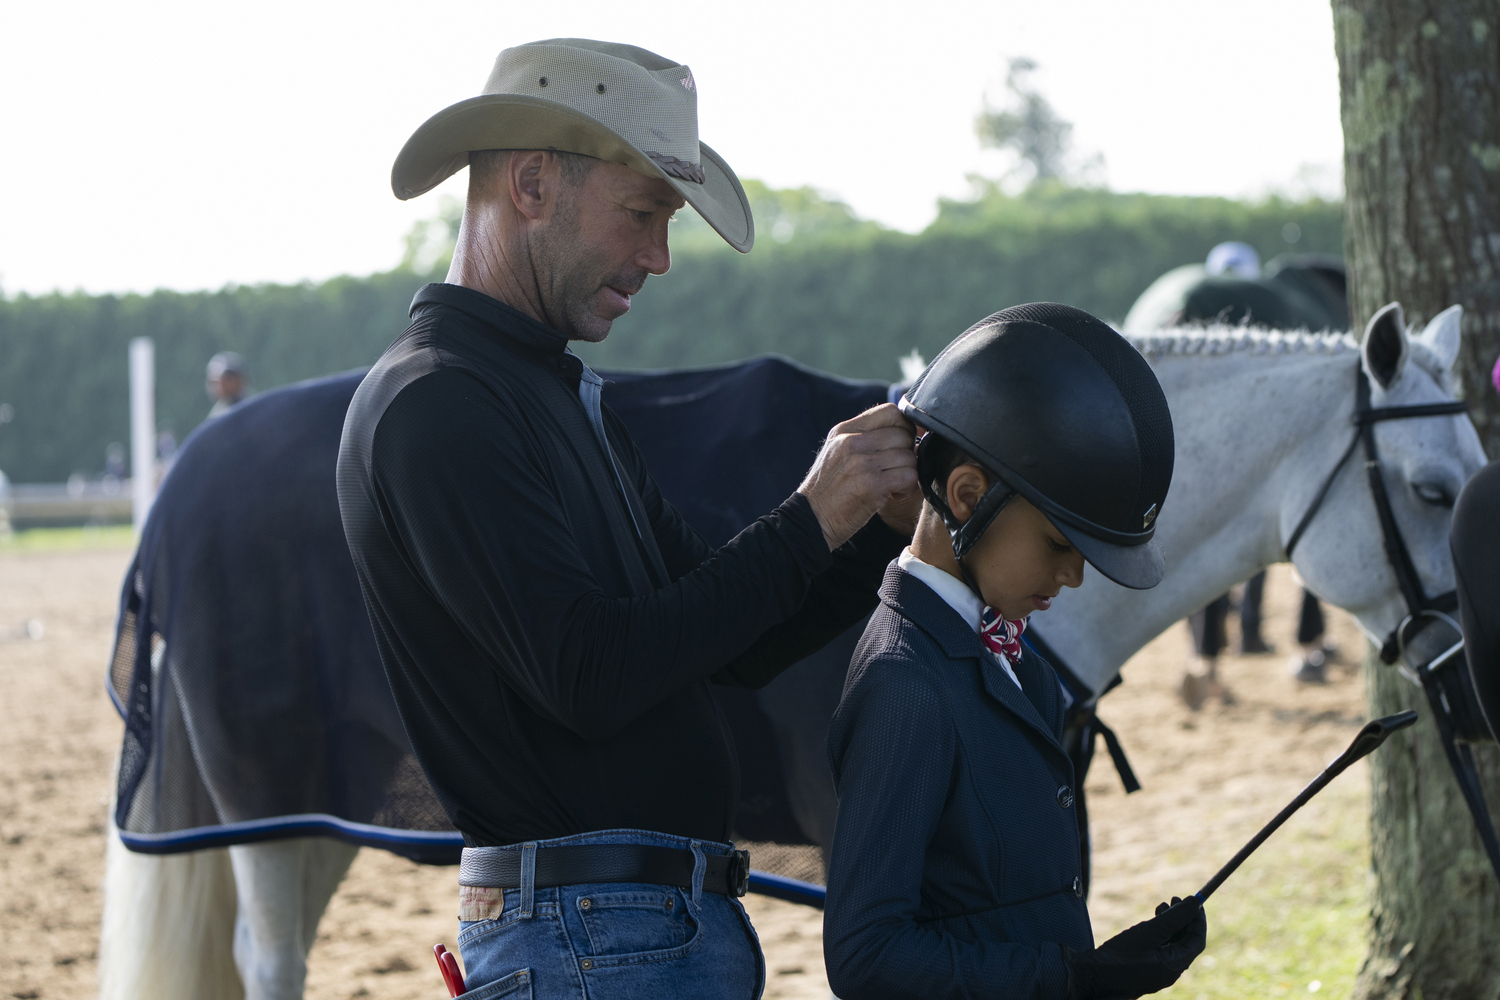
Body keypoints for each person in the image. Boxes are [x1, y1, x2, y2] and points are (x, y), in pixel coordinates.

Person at [336, 38, 921, 999]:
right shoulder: (437, 402)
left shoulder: (549, 392)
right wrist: (813, 513)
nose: (659, 257)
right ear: (530, 182)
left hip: (621, 936)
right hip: (592, 942)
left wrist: (873, 527)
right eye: (643, 214)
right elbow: (591, 675)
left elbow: (730, 645)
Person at [823, 303, 1208, 1000]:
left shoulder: (1022, 660)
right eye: (1060, 545)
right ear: (968, 495)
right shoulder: (904, 686)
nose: (1073, 576)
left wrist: (1110, 966)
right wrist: (1067, 978)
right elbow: (866, 957)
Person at [205, 351, 247, 417]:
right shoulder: (217, 415)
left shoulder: (251, 405)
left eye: (217, 382)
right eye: (212, 382)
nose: (215, 387)